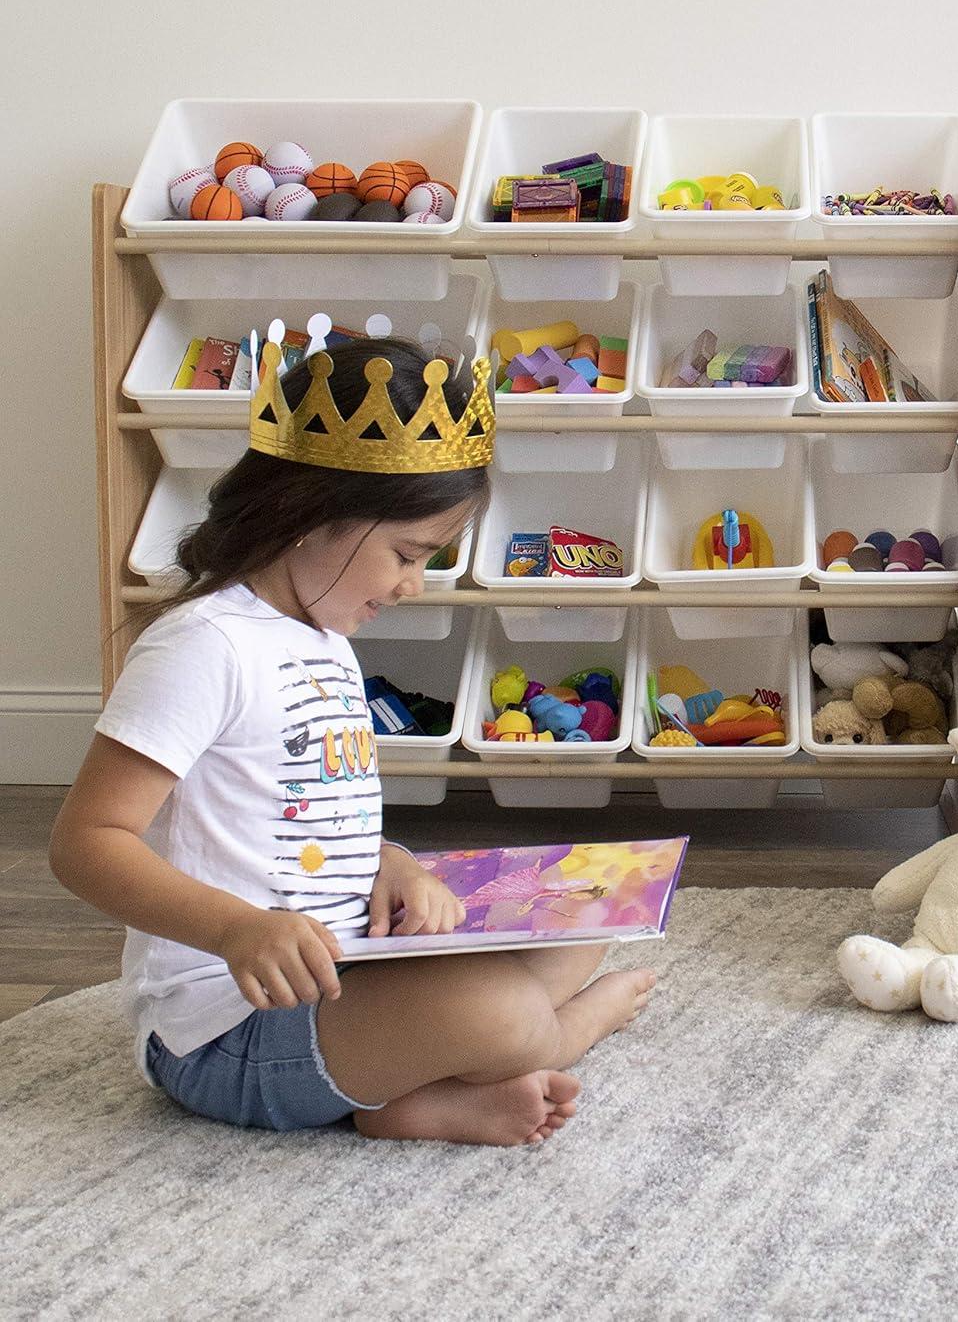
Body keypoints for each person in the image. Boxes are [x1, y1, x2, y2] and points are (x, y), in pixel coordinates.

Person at [50, 336, 654, 1146]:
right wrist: (236, 929)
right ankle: (562, 1033)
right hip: (231, 1024)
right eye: (406, 555)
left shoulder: (321, 637)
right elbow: (86, 843)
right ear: (311, 516)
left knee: (591, 908)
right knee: (503, 1008)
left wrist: (392, 862)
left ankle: (408, 1095)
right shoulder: (205, 645)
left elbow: (308, 819)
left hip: (344, 969)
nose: (413, 584)